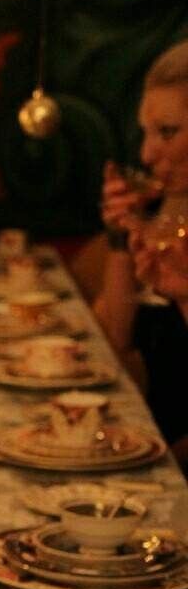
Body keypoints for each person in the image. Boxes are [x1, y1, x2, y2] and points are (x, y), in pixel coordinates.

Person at [92, 40, 188, 466]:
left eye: (167, 132)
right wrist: (118, 239)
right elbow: (117, 338)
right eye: (146, 133)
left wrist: (159, 466)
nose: (147, 155)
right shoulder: (166, 217)